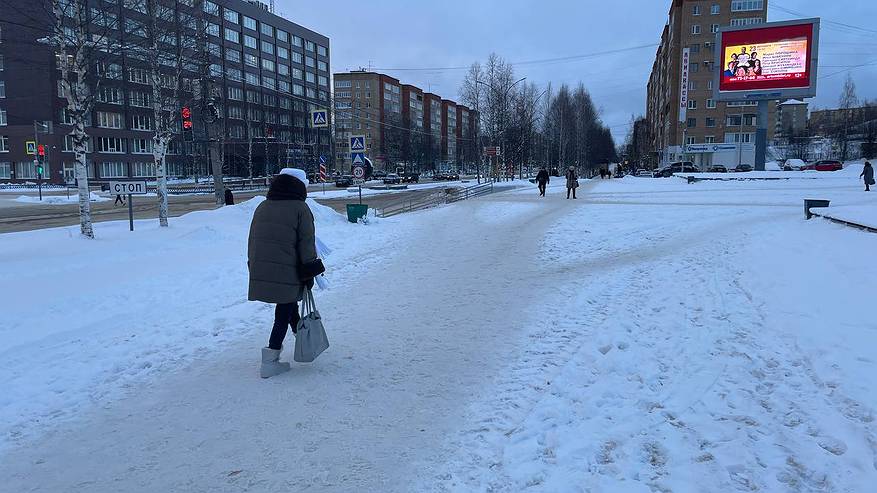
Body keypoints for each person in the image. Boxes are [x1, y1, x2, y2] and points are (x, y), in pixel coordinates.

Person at [248, 168, 318, 378]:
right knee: (285, 307)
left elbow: (252, 238)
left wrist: (253, 265)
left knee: (287, 302)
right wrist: (309, 272)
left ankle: (302, 338)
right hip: (288, 267)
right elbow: (306, 244)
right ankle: (270, 359)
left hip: (261, 264)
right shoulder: (300, 208)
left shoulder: (262, 206)